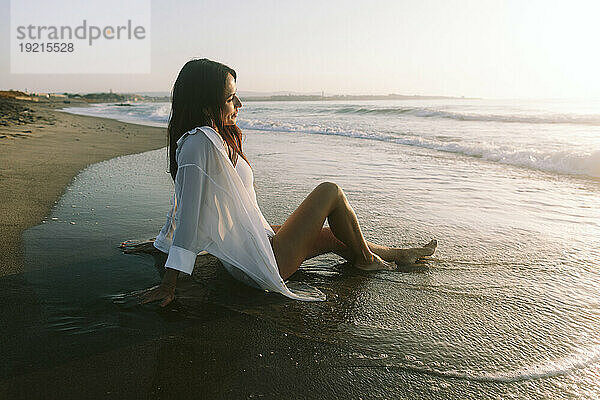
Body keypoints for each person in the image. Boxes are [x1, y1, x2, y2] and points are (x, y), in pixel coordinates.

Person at [136, 58, 436, 307]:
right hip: (260, 264)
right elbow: (187, 212)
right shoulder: (197, 144)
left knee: (332, 235)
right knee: (330, 192)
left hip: (254, 247)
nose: (239, 103)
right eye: (230, 98)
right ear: (205, 105)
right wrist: (169, 284)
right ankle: (368, 260)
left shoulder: (214, 138)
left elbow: (182, 204)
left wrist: (160, 242)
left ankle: (395, 255)